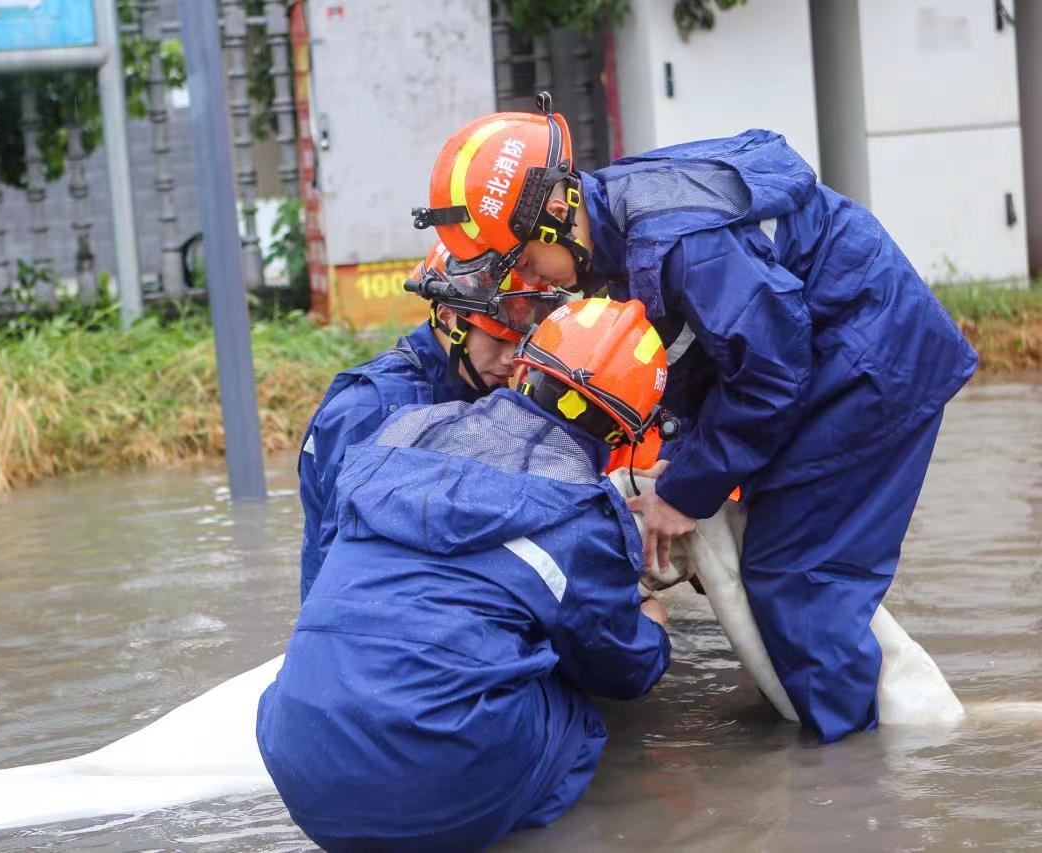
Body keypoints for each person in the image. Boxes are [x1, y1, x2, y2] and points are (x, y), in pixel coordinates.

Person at [411, 93, 977, 744]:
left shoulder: (678, 242)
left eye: (529, 264)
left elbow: (769, 370)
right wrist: (678, 469)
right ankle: (854, 728)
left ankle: (851, 779)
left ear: (559, 213)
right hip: (831, 360)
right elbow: (708, 357)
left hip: (873, 367)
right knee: (782, 562)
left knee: (797, 580)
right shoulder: (616, 224)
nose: (538, 287)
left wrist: (685, 489)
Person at [259, 298, 673, 852]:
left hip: (298, 765)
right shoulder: (583, 518)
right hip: (438, 795)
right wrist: (653, 628)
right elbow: (622, 669)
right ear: (626, 436)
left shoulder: (400, 430)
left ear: (524, 369)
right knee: (578, 705)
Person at [296, 240, 562, 602]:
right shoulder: (371, 409)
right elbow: (345, 559)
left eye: (522, 346)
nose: (512, 360)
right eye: (500, 339)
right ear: (450, 318)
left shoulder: (476, 391)